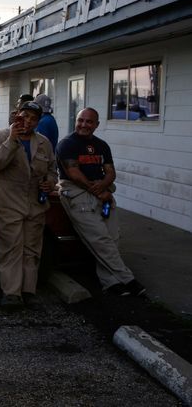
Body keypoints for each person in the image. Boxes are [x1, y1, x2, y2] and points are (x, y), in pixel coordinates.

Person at [56, 107, 146, 297]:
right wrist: (98, 191)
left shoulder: (102, 145)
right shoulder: (67, 144)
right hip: (78, 194)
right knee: (99, 239)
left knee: (112, 238)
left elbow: (111, 172)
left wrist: (104, 187)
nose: (84, 125)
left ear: (96, 125)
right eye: (81, 120)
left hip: (102, 193)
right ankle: (128, 278)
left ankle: (110, 282)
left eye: (89, 122)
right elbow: (74, 173)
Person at [0, 101, 57, 311]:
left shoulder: (43, 142)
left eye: (33, 118)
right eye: (24, 116)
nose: (27, 121)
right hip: (8, 202)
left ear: (38, 122)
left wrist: (50, 182)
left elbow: (52, 169)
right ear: (16, 115)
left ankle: (28, 291)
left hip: (35, 203)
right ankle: (11, 293)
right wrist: (12, 139)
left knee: (32, 250)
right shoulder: (1, 137)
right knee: (10, 249)